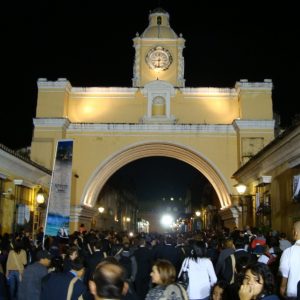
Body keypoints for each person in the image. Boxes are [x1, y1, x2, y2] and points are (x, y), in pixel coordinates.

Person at [279, 220, 300, 299]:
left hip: (293, 294)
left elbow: (284, 275)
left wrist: (282, 289)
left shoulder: (288, 252)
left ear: (295, 232)